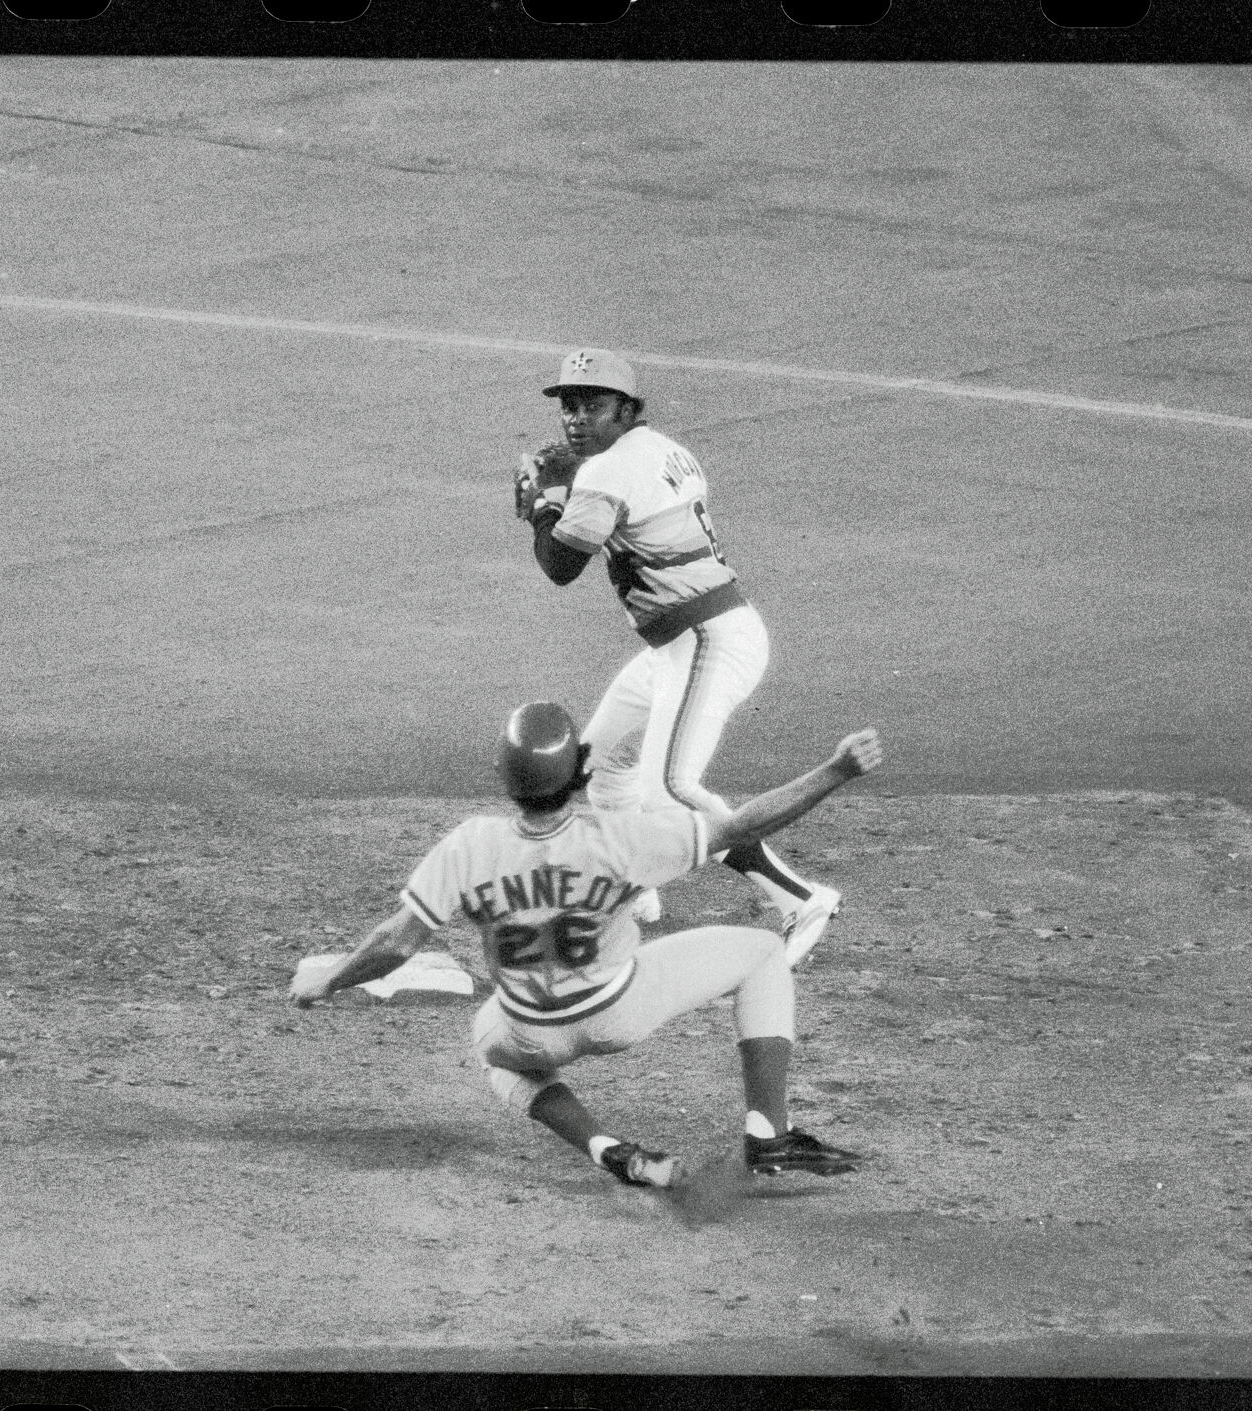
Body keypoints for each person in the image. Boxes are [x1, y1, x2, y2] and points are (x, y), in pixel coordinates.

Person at [290, 700, 883, 1189]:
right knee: (760, 952)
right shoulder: (619, 839)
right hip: (622, 1010)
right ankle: (767, 1134)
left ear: (507, 778)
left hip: (528, 1031)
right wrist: (835, 771)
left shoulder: (468, 847)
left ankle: (602, 1147)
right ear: (578, 772)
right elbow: (742, 827)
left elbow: (395, 942)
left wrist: (331, 980)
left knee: (489, 1046)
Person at [512, 348, 838, 964]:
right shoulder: (661, 448)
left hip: (707, 641)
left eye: (595, 407)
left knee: (669, 790)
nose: (577, 420)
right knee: (605, 763)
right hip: (685, 641)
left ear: (629, 410)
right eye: (569, 407)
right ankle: (635, 890)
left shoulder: (608, 475)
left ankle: (802, 898)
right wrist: (562, 493)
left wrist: (544, 505)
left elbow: (559, 567)